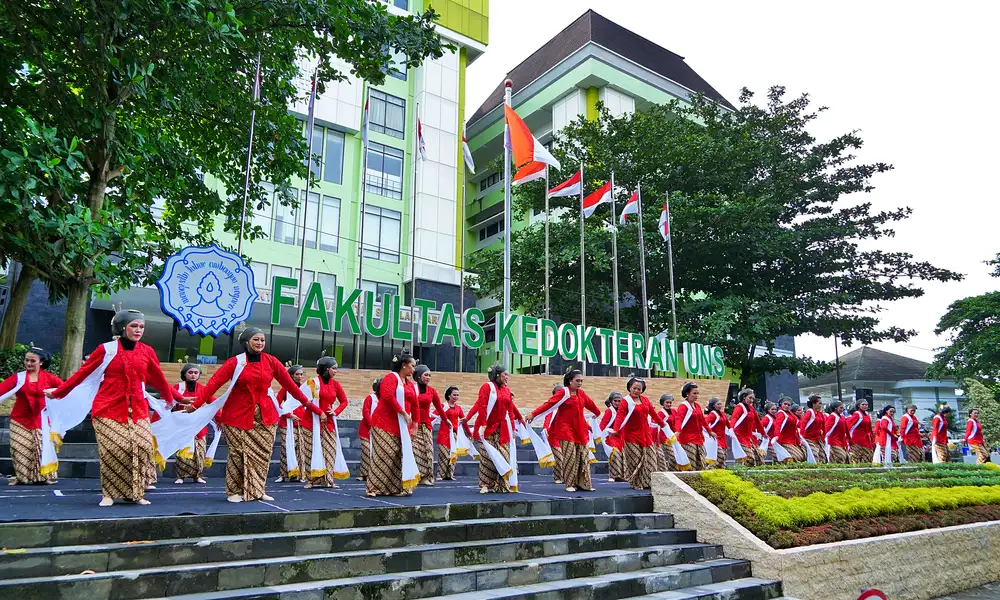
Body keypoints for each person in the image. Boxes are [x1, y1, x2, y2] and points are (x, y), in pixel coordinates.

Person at [47, 310, 182, 506]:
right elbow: (83, 373)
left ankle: (135, 493)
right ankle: (108, 494)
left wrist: (171, 399)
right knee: (113, 449)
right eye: (134, 326)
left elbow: (158, 378)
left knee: (142, 447)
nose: (138, 330)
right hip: (108, 409)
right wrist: (59, 392)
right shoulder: (106, 349)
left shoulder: (147, 351)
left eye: (141, 326)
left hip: (138, 410)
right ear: (122, 327)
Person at [192, 327, 324, 503]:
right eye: (256, 339)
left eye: (262, 340)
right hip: (236, 416)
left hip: (266, 416)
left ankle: (257, 489)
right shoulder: (235, 363)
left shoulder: (271, 361)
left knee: (262, 455)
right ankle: (233, 491)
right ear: (246, 342)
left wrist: (309, 404)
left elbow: (291, 386)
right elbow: (213, 384)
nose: (260, 343)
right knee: (238, 454)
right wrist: (195, 405)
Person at [529, 369, 601, 492]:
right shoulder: (563, 392)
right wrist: (532, 414)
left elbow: (591, 406)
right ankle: (569, 484)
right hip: (565, 429)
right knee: (570, 457)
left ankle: (583, 483)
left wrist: (597, 413)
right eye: (577, 380)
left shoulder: (581, 394)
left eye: (581, 381)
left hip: (580, 430)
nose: (579, 383)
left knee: (582, 456)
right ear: (570, 381)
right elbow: (548, 404)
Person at [0, 347, 62, 485]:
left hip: (42, 419)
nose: (28, 363)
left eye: (32, 361)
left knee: (41, 448)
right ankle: (22, 478)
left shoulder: (49, 378)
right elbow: (2, 389)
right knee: (19, 448)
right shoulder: (18, 378)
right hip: (20, 419)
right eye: (27, 360)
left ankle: (42, 478)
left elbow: (64, 389)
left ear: (41, 362)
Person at [368, 354, 417, 497]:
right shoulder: (391, 378)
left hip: (400, 426)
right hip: (383, 423)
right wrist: (403, 413)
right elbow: (387, 396)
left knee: (397, 456)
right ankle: (374, 488)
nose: (414, 369)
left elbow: (416, 405)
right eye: (412, 365)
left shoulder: (409, 384)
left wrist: (415, 425)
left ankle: (395, 488)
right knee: (384, 455)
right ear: (404, 365)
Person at [471, 364, 525, 494]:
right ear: (497, 375)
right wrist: (483, 424)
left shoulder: (507, 390)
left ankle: (501, 484)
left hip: (503, 429)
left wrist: (512, 428)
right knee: (487, 457)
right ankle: (485, 484)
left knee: (504, 455)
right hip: (487, 428)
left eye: (508, 375)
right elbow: (482, 406)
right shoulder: (487, 387)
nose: (507, 377)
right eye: (505, 374)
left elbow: (510, 411)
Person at [300, 357, 349, 489]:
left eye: (336, 368)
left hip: (328, 423)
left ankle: (329, 479)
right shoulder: (312, 383)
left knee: (330, 451)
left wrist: (336, 411)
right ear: (326, 369)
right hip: (311, 422)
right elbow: (304, 401)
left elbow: (344, 401)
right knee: (311, 451)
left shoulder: (335, 384)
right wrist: (319, 412)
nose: (335, 371)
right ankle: (311, 480)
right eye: (333, 368)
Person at [609, 376, 666, 488]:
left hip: (646, 435)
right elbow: (620, 416)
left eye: (639, 389)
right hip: (631, 436)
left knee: (651, 460)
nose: (636, 391)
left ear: (642, 390)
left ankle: (648, 483)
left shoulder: (645, 400)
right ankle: (637, 483)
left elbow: (653, 414)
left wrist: (663, 425)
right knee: (635, 461)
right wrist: (615, 430)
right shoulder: (626, 401)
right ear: (630, 388)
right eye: (634, 388)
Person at [409, 365, 446, 486]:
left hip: (426, 425)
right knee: (416, 451)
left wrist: (446, 421)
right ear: (418, 376)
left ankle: (426, 477)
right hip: (413, 425)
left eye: (430, 375)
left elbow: (439, 408)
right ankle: (415, 476)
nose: (428, 377)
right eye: (426, 375)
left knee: (428, 451)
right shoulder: (411, 388)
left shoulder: (432, 391)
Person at [173, 364, 209, 484]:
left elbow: (212, 401)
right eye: (190, 372)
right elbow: (166, 401)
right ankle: (180, 476)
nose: (193, 375)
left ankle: (197, 475)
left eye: (195, 372)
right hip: (182, 424)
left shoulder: (203, 389)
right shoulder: (178, 387)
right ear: (184, 374)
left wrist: (220, 418)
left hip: (199, 425)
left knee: (200, 450)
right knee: (182, 451)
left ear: (199, 375)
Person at [275, 365, 307, 483]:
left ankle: (298, 474)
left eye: (301, 374)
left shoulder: (304, 388)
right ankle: (283, 474)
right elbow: (277, 403)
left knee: (300, 449)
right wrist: (289, 415)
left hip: (301, 422)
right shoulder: (285, 388)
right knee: (286, 447)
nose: (300, 376)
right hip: (287, 422)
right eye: (297, 374)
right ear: (291, 375)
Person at [434, 386, 470, 481]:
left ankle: (450, 474)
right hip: (444, 434)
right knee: (444, 455)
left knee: (453, 455)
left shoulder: (458, 408)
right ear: (449, 395)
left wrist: (469, 433)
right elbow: (433, 415)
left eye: (457, 395)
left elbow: (464, 420)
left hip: (454, 435)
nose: (456, 397)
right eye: (454, 395)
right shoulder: (443, 406)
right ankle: (440, 475)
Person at [673, 382, 711, 470]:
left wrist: (710, 431)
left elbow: (703, 420)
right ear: (687, 393)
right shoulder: (683, 406)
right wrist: (677, 431)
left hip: (698, 438)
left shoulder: (697, 406)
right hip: (687, 439)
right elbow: (679, 419)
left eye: (697, 393)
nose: (696, 395)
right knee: (691, 463)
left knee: (701, 463)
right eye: (694, 393)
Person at [730, 388, 765, 467]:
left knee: (759, 458)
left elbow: (758, 422)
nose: (751, 400)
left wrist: (763, 434)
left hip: (749, 438)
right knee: (750, 458)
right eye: (750, 398)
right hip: (740, 437)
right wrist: (731, 429)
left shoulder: (751, 408)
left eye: (753, 398)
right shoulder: (739, 407)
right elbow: (734, 418)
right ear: (744, 397)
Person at [357, 379, 380, 482]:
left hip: (379, 431)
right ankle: (363, 474)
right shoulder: (371, 398)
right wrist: (371, 425)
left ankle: (372, 474)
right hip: (366, 430)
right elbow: (365, 412)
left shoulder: (386, 400)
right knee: (367, 451)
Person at [600, 393, 625, 481]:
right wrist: (609, 432)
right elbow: (602, 425)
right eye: (615, 401)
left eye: (619, 401)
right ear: (611, 402)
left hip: (621, 437)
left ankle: (622, 475)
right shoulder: (609, 411)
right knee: (615, 454)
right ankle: (614, 475)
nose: (617, 403)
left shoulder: (623, 411)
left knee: (623, 455)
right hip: (611, 437)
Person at [542, 384, 564, 484]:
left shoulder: (567, 406)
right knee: (559, 457)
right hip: (553, 437)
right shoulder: (552, 407)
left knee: (565, 458)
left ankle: (565, 477)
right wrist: (545, 428)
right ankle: (558, 477)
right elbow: (547, 418)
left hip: (565, 437)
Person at [799, 395, 828, 464]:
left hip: (818, 439)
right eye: (819, 403)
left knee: (823, 457)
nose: (821, 405)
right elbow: (803, 425)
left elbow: (823, 426)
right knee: (814, 456)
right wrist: (802, 438)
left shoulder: (820, 413)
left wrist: (823, 437)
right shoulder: (809, 412)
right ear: (813, 404)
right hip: (809, 439)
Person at [773, 398, 803, 463]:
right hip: (785, 440)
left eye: (788, 405)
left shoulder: (790, 413)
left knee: (802, 455)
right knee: (798, 457)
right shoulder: (781, 413)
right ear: (781, 404)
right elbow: (778, 425)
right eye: (785, 404)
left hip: (793, 439)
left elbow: (798, 424)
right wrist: (776, 436)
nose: (786, 406)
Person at [847, 400, 875, 464]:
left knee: (868, 457)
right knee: (856, 458)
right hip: (857, 440)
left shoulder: (867, 416)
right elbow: (848, 426)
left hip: (867, 440)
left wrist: (873, 439)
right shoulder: (857, 414)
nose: (865, 406)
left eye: (866, 404)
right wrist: (848, 439)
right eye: (863, 404)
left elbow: (870, 429)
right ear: (858, 406)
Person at [705, 397, 729, 468]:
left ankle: (719, 473)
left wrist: (732, 431)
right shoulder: (712, 414)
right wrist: (710, 432)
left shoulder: (722, 414)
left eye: (720, 404)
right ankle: (709, 469)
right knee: (720, 456)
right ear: (713, 405)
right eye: (718, 404)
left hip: (723, 440)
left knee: (723, 458)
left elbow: (728, 424)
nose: (720, 406)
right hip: (715, 440)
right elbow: (705, 423)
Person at [657, 394, 677, 471]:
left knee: (675, 457)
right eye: (667, 402)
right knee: (673, 456)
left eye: (670, 403)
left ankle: (671, 470)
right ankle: (669, 471)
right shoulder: (661, 413)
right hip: (664, 438)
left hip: (673, 437)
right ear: (663, 403)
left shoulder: (674, 411)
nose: (669, 404)